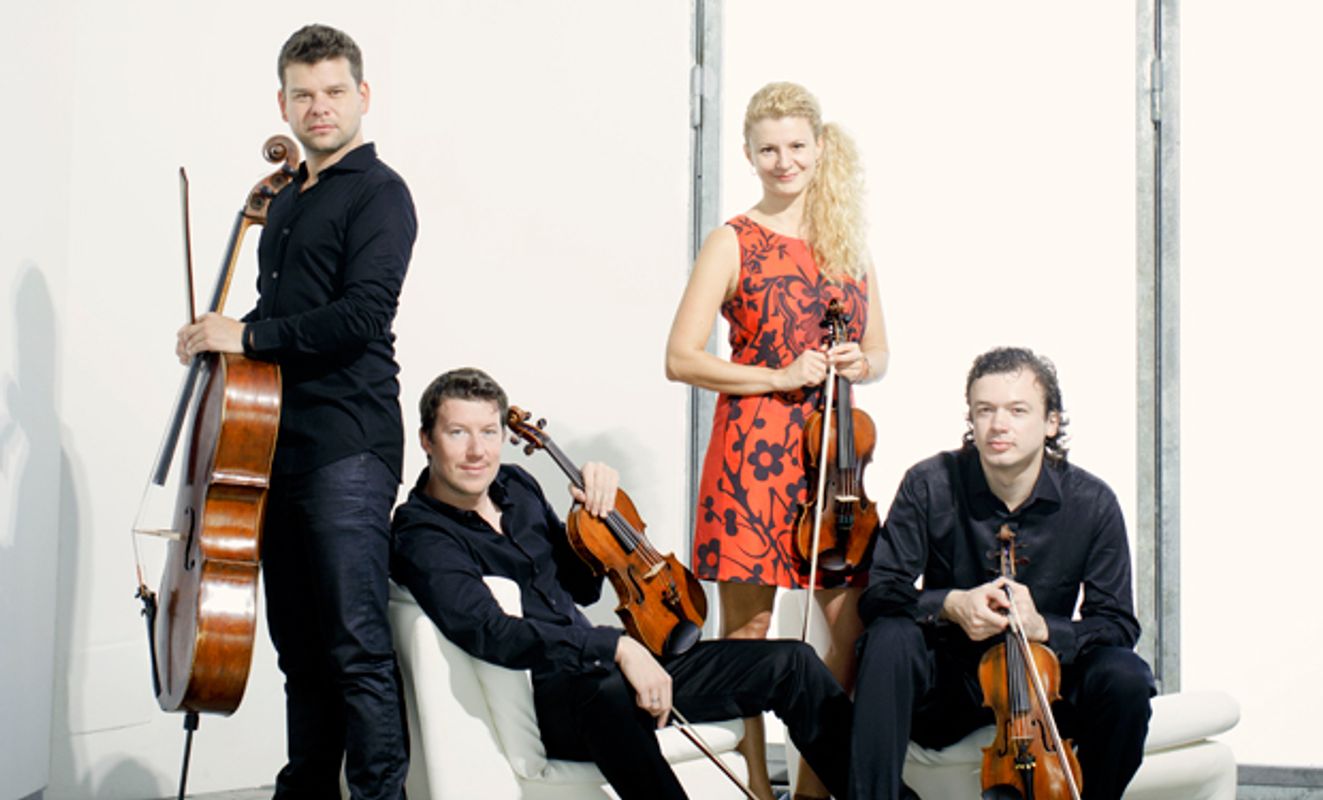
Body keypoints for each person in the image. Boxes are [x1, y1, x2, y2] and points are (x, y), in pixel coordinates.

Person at [390, 368, 855, 800]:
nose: (477, 451)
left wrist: (598, 522)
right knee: (607, 687)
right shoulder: (421, 532)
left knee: (792, 663)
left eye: (489, 432)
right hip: (551, 696)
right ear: (427, 440)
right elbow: (492, 632)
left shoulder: (516, 486)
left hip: (599, 669)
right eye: (458, 433)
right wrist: (616, 647)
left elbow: (581, 589)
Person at [175, 24, 415, 798]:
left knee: (355, 646)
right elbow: (283, 316)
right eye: (303, 95)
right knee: (301, 653)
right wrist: (220, 338)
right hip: (275, 444)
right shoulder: (284, 202)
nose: (319, 107)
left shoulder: (380, 193)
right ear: (282, 103)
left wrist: (247, 335)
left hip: (348, 443)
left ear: (362, 96)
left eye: (334, 92)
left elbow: (362, 316)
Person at [665, 80, 888, 799]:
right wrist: (777, 374)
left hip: (834, 467)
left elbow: (880, 352)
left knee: (848, 627)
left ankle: (816, 787)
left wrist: (861, 363)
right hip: (751, 457)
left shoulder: (847, 243)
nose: (783, 161)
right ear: (747, 154)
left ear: (819, 147)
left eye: (795, 146)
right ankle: (755, 786)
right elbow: (680, 357)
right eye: (768, 149)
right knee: (750, 632)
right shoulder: (732, 240)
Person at [850, 347, 1155, 800]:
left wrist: (1043, 629)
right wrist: (950, 604)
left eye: (1017, 410)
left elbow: (1117, 625)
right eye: (985, 410)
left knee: (1126, 676)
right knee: (888, 637)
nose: (998, 425)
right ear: (971, 419)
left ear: (1051, 422)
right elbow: (880, 593)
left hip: (1045, 689)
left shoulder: (1092, 503)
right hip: (951, 684)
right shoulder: (930, 484)